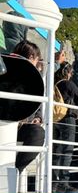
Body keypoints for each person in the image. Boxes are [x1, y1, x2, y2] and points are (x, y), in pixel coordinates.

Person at [52, 62, 78, 192]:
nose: (71, 75)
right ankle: (64, 184)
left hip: (56, 120)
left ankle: (54, 184)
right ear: (67, 72)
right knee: (67, 151)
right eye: (71, 72)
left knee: (57, 151)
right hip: (68, 119)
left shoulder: (54, 85)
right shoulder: (67, 84)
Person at [12, 40, 45, 176]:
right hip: (6, 123)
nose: (37, 64)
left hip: (20, 127)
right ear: (31, 57)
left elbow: (37, 105)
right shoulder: (7, 70)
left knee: (37, 133)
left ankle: (14, 171)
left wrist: (37, 118)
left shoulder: (33, 80)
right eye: (37, 60)